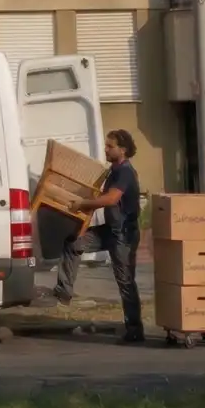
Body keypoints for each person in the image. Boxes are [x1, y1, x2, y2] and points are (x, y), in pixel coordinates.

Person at [40, 129, 145, 343]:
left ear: (122, 150)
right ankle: (64, 292)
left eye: (110, 146)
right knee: (73, 243)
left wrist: (82, 204)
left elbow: (111, 199)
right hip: (110, 230)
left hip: (124, 235)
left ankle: (135, 329)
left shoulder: (125, 171)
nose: (106, 149)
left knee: (125, 281)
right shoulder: (113, 170)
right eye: (106, 145)